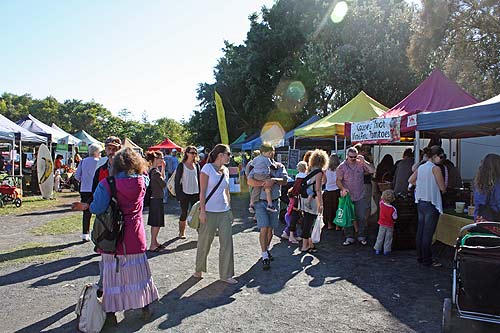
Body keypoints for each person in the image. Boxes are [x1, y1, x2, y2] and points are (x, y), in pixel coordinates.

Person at [72, 147, 159, 324]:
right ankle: (145, 308)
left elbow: (97, 208)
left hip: (112, 238)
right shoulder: (143, 181)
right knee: (138, 275)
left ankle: (111, 314)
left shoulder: (107, 184)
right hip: (135, 235)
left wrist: (86, 206)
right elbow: (146, 175)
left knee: (112, 277)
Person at [193, 144, 237, 284]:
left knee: (227, 243)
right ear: (220, 155)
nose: (230, 156)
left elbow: (227, 191)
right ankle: (198, 269)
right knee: (205, 242)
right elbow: (202, 192)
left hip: (224, 211)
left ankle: (226, 275)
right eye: (228, 154)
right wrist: (203, 212)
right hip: (209, 212)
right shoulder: (207, 168)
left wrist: (229, 209)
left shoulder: (226, 170)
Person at [247, 144, 288, 270]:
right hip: (260, 201)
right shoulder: (258, 164)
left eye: (272, 151)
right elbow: (249, 180)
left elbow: (285, 180)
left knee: (271, 229)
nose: (271, 153)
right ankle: (264, 254)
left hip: (274, 201)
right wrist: (264, 183)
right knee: (264, 227)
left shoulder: (279, 166)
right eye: (269, 151)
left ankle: (266, 249)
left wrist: (274, 180)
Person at [409, 146, 446, 267]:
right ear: (435, 156)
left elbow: (411, 180)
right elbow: (442, 188)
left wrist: (422, 184)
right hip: (431, 202)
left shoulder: (421, 167)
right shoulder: (435, 169)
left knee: (421, 230)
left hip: (421, 202)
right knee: (428, 233)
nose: (441, 159)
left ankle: (420, 257)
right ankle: (427, 260)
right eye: (440, 157)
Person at [336, 146, 376, 246]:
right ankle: (349, 236)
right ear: (347, 156)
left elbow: (372, 170)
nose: (353, 159)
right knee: (348, 217)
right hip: (348, 196)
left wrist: (364, 161)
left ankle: (361, 235)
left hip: (360, 195)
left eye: (355, 157)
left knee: (361, 217)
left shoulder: (360, 164)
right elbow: (338, 180)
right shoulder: (341, 167)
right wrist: (343, 188)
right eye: (351, 157)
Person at [299, 149, 328, 253]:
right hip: (312, 200)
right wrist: (321, 204)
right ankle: (306, 245)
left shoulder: (310, 170)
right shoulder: (319, 172)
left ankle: (307, 244)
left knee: (307, 221)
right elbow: (318, 189)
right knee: (310, 222)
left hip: (304, 198)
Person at [74, 143, 101, 242]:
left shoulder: (83, 161)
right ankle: (99, 232)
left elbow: (77, 176)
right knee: (100, 210)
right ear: (97, 152)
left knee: (86, 212)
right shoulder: (99, 162)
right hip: (97, 188)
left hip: (85, 188)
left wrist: (84, 179)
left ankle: (85, 234)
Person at [174, 145, 200, 239]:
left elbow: (199, 179)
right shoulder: (182, 165)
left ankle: (200, 232)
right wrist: (178, 195)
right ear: (187, 153)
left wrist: (201, 192)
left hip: (196, 192)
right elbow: (177, 181)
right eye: (192, 153)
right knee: (184, 213)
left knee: (197, 213)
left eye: (195, 153)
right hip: (185, 193)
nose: (194, 155)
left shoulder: (197, 165)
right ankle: (181, 232)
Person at [145, 150, 167, 252]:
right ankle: (153, 244)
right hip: (156, 199)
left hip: (155, 198)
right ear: (156, 159)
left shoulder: (152, 170)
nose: (163, 160)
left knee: (156, 222)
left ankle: (155, 242)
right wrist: (163, 168)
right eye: (161, 158)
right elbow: (164, 184)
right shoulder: (155, 172)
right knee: (156, 223)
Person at [282, 161, 308, 243]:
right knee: (294, 217)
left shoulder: (297, 176)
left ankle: (288, 234)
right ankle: (291, 236)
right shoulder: (305, 177)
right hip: (299, 198)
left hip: (295, 197)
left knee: (294, 217)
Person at [248, 143, 278, 214]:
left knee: (256, 190)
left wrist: (253, 172)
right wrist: (276, 167)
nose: (271, 154)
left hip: (256, 175)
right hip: (264, 175)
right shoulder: (266, 159)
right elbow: (272, 167)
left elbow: (251, 167)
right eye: (269, 153)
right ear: (264, 153)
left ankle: (251, 205)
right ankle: (270, 204)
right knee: (268, 189)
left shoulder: (256, 158)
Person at [473, 154, 500, 222]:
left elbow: (477, 205)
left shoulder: (478, 183)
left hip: (479, 221)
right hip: (494, 222)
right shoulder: (497, 183)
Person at [374, 190, 398, 255]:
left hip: (382, 224)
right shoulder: (393, 209)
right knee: (388, 238)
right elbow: (395, 217)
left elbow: (381, 200)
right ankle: (386, 250)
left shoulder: (381, 204)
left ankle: (378, 249)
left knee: (380, 237)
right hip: (390, 225)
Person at [323, 153, 341, 230]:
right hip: (337, 190)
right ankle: (337, 225)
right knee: (337, 208)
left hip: (328, 190)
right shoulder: (339, 169)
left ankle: (330, 224)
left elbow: (324, 181)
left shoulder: (326, 170)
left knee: (328, 209)